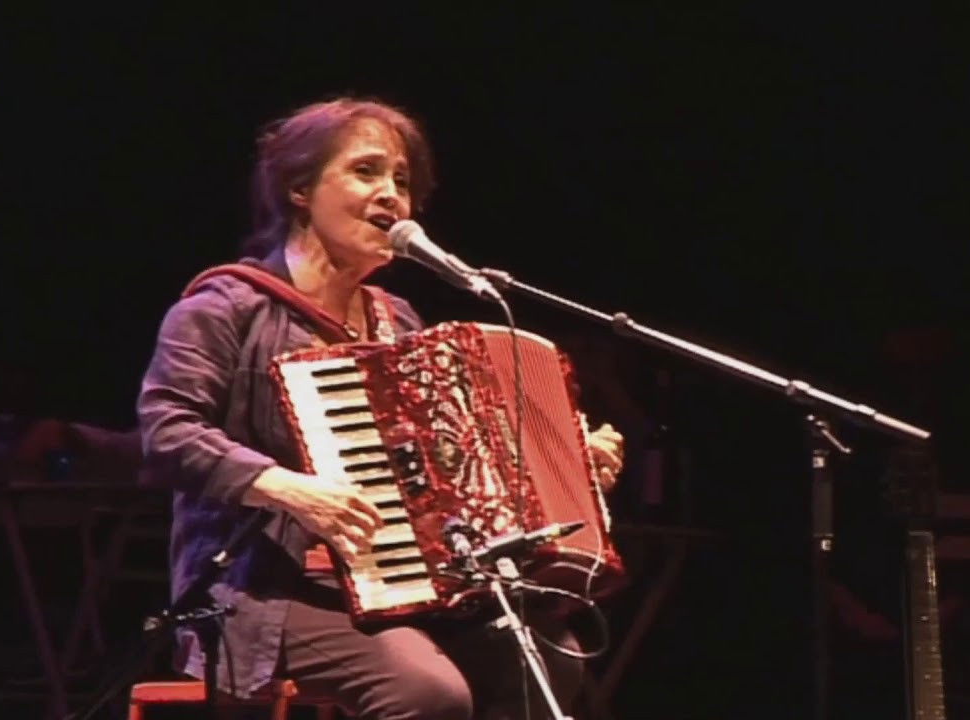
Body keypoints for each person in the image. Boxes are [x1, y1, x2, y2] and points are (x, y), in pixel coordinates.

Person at [137, 97, 624, 720]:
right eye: (365, 171)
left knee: (548, 663)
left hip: (404, 581)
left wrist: (567, 462)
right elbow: (168, 431)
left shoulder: (398, 321)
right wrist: (288, 487)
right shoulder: (225, 306)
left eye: (401, 180)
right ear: (299, 190)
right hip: (266, 586)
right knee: (428, 694)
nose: (391, 194)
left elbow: (450, 469)